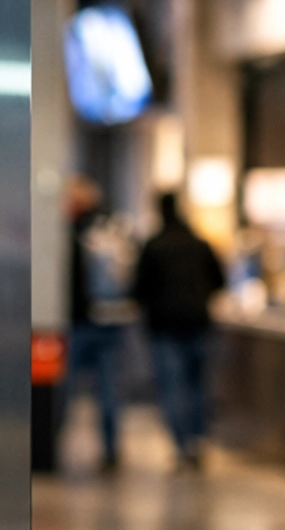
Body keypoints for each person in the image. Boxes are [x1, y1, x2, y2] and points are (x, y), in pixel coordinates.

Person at [133, 190, 226, 467]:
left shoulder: (153, 246)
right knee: (197, 384)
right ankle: (197, 439)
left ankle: (181, 443)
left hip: (163, 326)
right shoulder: (199, 243)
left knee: (171, 386)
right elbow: (220, 280)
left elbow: (139, 289)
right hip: (198, 322)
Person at [66, 175, 134, 472]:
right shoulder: (114, 228)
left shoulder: (72, 230)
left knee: (65, 389)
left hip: (79, 321)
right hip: (111, 319)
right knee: (109, 390)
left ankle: (50, 448)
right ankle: (110, 449)